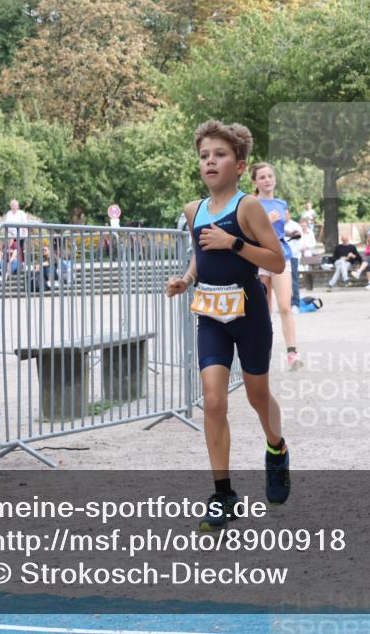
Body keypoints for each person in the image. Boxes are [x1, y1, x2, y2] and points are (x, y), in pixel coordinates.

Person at [164, 119, 289, 531]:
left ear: (239, 165)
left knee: (257, 396)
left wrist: (233, 242)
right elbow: (202, 255)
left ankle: (276, 448)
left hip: (249, 309)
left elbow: (276, 261)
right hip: (211, 314)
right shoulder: (192, 210)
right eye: (204, 156)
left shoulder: (248, 207)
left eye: (220, 155)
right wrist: (187, 278)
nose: (210, 162)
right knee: (213, 400)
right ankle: (223, 495)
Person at [251, 162, 303, 370]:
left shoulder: (282, 204)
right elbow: (249, 232)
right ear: (255, 181)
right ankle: (262, 353)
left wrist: (291, 233)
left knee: (285, 306)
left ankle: (292, 354)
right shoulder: (251, 204)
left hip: (281, 257)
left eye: (270, 176)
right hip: (261, 258)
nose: (267, 180)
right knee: (264, 310)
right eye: (262, 177)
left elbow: (280, 230)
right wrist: (265, 221)